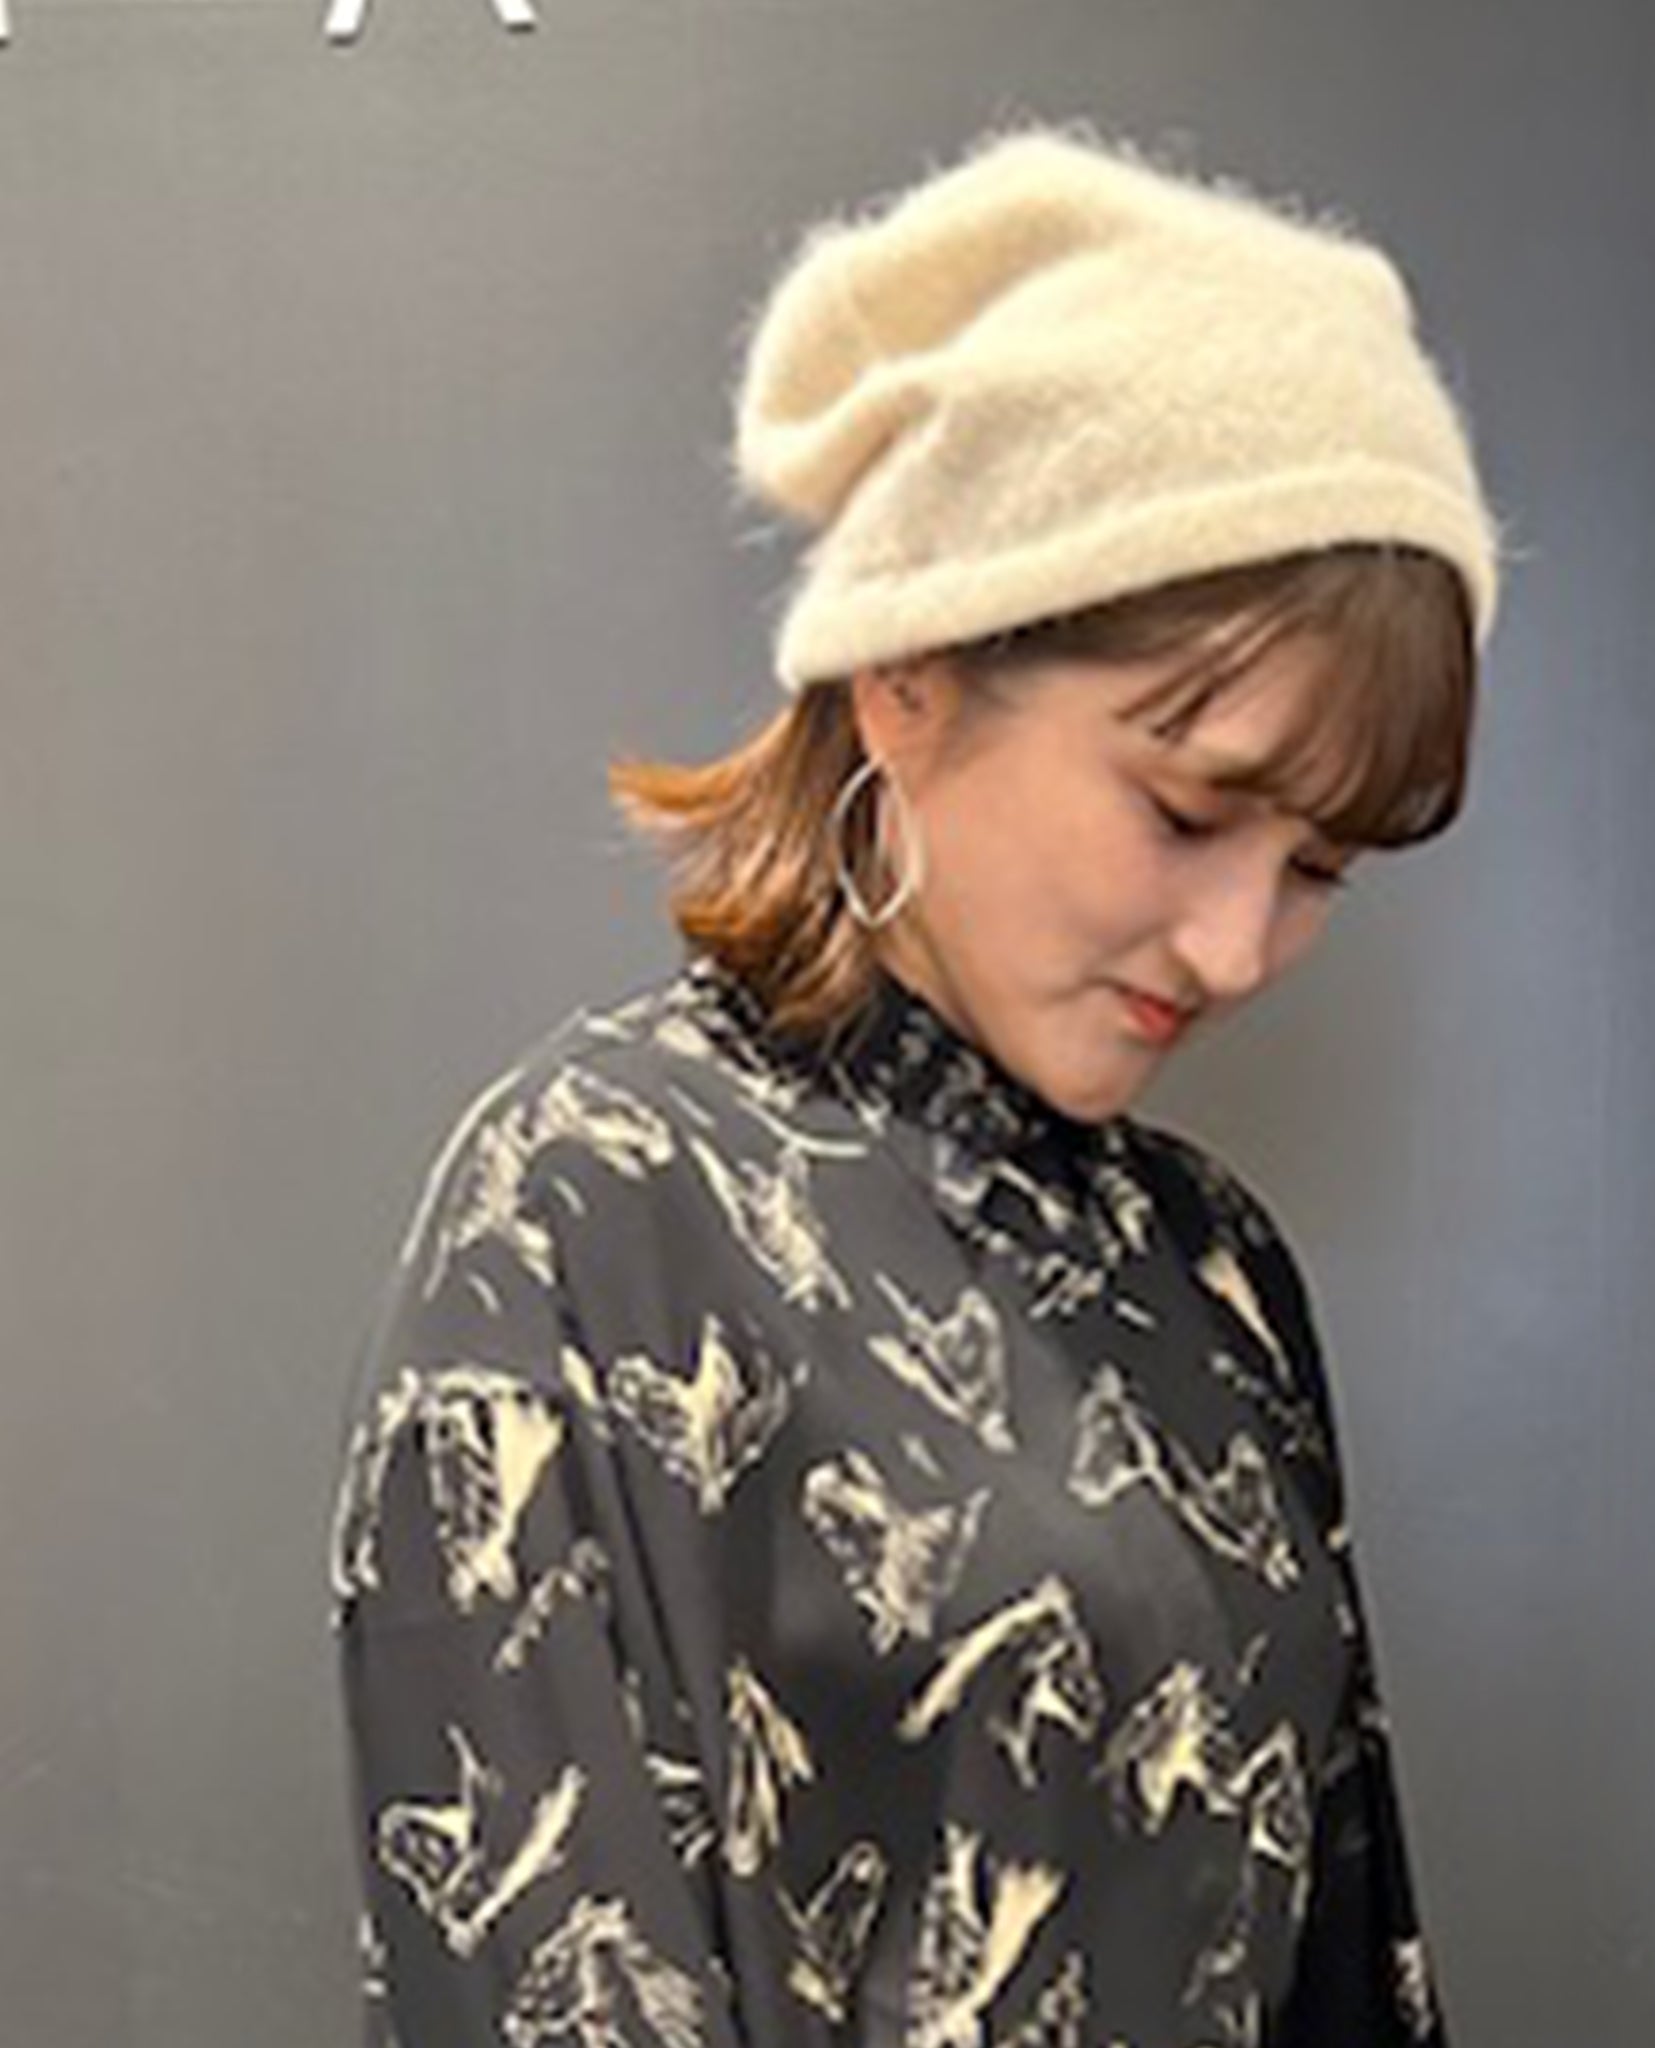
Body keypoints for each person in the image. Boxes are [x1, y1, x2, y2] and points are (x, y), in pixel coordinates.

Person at [329, 114, 1504, 2048]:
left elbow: (1348, 1971)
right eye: (1188, 811)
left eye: (1319, 868)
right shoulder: (595, 1204)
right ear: (913, 672)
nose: (1237, 946)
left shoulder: (1213, 1274)